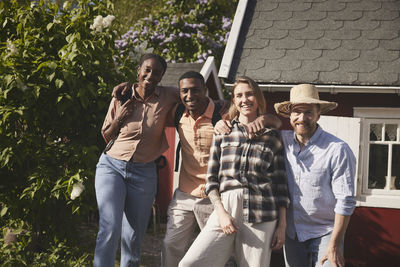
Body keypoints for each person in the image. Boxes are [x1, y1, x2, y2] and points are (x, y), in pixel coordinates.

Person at [162, 71, 281, 267]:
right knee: (179, 251)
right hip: (197, 193)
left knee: (230, 259)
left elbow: (280, 183)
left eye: (195, 90)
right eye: (185, 91)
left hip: (240, 202)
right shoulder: (180, 114)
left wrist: (268, 119)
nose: (190, 95)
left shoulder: (224, 116)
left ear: (206, 90)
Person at [94, 53, 180, 267]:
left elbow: (192, 94)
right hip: (111, 166)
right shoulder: (121, 96)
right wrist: (119, 117)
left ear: (161, 77)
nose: (151, 75)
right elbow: (106, 134)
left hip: (144, 172)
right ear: (139, 71)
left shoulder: (169, 96)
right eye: (147, 70)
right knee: (110, 226)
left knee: (133, 235)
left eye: (157, 72)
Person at [273, 84, 356, 267]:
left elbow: (346, 200)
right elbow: (263, 123)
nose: (302, 118)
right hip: (292, 232)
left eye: (308, 112)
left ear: (319, 114)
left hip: (326, 232)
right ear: (289, 114)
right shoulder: (282, 140)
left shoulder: (337, 150)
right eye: (296, 112)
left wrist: (334, 245)